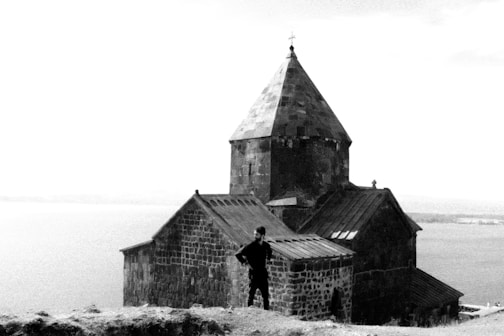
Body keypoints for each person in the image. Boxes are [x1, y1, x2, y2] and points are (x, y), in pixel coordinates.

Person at [235, 226, 272, 310]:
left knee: (265, 296)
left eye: (257, 235)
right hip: (254, 273)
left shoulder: (265, 245)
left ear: (262, 235)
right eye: (255, 234)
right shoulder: (250, 246)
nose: (255, 236)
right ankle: (248, 311)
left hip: (263, 273)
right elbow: (238, 254)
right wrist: (246, 263)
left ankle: (267, 313)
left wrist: (268, 261)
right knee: (251, 295)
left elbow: (269, 251)